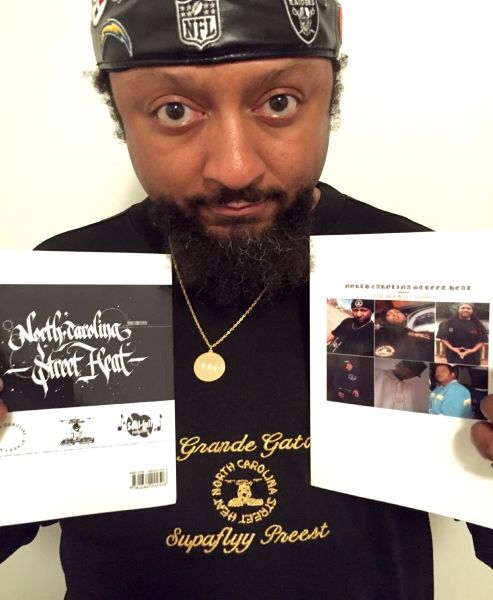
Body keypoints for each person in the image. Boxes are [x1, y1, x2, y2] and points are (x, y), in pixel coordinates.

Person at [0, 1, 492, 598]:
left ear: (329, 98)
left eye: (279, 102)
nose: (234, 169)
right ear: (120, 115)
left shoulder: (422, 274)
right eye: (174, 110)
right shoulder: (65, 285)